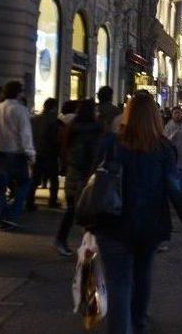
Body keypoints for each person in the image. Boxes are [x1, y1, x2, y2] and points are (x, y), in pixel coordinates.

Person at [91, 93, 182, 334]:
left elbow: (96, 179)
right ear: (155, 117)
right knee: (142, 277)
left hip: (112, 223)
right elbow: (174, 187)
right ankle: (138, 322)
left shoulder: (112, 142)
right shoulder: (162, 147)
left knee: (118, 284)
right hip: (148, 225)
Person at [55, 100, 103, 256]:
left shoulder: (72, 128)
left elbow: (67, 152)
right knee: (86, 213)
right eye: (95, 110)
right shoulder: (91, 131)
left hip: (73, 174)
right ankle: (87, 247)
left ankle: (63, 240)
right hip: (84, 177)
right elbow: (89, 156)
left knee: (73, 210)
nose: (97, 112)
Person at [0, 81, 35, 230]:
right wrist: (30, 153)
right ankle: (12, 215)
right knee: (24, 183)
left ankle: (2, 218)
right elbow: (25, 134)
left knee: (1, 187)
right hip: (16, 153)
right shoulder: (21, 110)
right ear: (18, 93)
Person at [27, 98, 61, 211]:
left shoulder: (34, 119)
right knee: (53, 178)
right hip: (49, 152)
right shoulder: (53, 121)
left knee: (35, 178)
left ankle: (29, 200)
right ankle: (52, 200)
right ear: (54, 108)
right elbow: (56, 138)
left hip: (36, 151)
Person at [164, 106, 182, 194]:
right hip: (173, 153)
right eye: (175, 113)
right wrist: (172, 136)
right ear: (172, 114)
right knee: (174, 173)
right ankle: (176, 192)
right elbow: (164, 140)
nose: (177, 115)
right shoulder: (168, 125)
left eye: (178, 113)